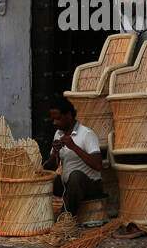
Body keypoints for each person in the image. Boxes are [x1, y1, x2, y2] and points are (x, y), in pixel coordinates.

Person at [44, 95, 104, 224]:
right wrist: (55, 152)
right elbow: (50, 168)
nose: (55, 123)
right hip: (68, 186)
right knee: (45, 179)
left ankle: (65, 220)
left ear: (69, 115)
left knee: (75, 176)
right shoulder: (58, 133)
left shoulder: (87, 134)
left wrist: (74, 147)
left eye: (58, 119)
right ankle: (42, 218)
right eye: (53, 119)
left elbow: (98, 165)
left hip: (90, 186)